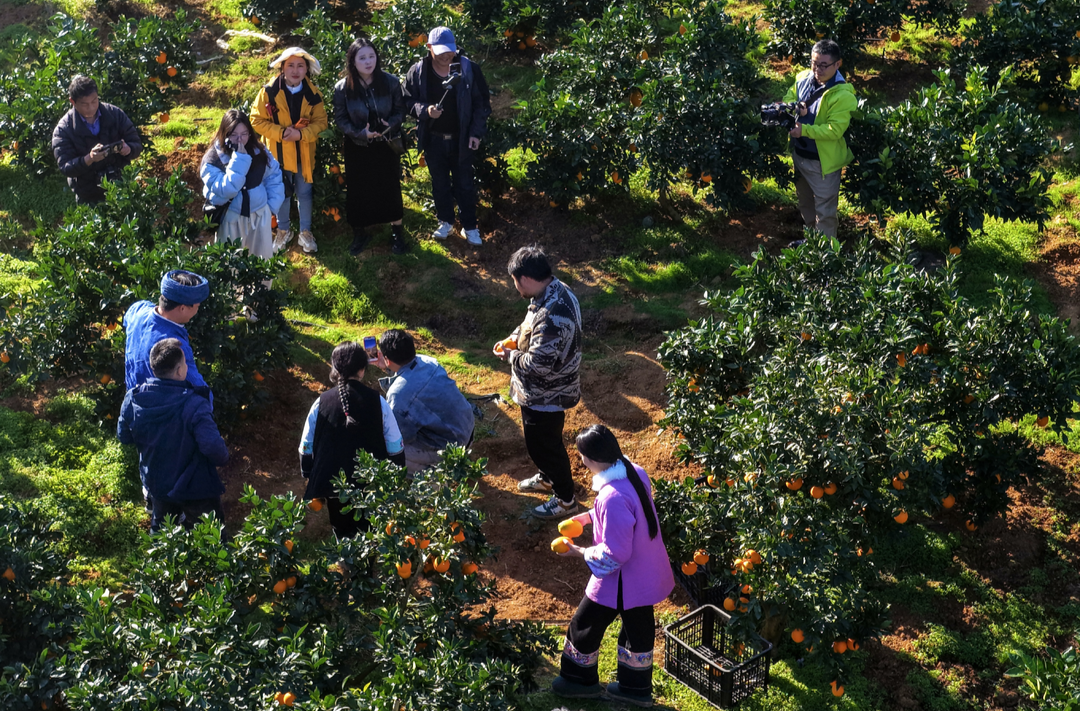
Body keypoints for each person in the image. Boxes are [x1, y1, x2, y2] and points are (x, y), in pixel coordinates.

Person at [550, 424, 674, 706]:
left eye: (581, 455)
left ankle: (577, 681)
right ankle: (635, 688)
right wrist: (585, 519)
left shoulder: (611, 496)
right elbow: (629, 512)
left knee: (585, 625)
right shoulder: (634, 471)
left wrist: (577, 551)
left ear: (591, 459)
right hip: (646, 574)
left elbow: (616, 553)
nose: (580, 460)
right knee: (638, 629)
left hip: (621, 581)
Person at [494, 245, 582, 519]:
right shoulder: (553, 291)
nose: (515, 287)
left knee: (545, 447)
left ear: (525, 278)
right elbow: (530, 322)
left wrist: (511, 355)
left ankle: (566, 500)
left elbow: (536, 366)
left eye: (514, 281)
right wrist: (514, 336)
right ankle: (547, 478)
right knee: (547, 444)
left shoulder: (553, 315)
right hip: (544, 392)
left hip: (546, 396)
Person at [117, 338, 228, 533]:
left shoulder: (133, 400)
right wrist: (224, 455)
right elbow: (214, 448)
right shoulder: (194, 404)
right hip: (195, 487)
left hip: (158, 483)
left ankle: (160, 561)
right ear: (179, 371)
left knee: (162, 536)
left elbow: (124, 436)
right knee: (211, 542)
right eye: (185, 363)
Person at [299, 342, 407, 538]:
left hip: (335, 484)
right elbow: (395, 444)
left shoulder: (321, 402)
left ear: (335, 369)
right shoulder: (377, 401)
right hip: (370, 482)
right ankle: (367, 564)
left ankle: (345, 562)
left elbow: (306, 446)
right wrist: (395, 475)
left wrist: (309, 473)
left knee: (341, 526)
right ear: (362, 369)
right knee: (370, 529)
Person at [403, 26, 491, 246]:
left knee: (465, 184)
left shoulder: (468, 69)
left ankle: (470, 226)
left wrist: (475, 133)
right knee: (440, 182)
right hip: (433, 139)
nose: (446, 55)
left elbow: (482, 104)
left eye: (449, 50)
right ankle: (446, 221)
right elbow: (406, 101)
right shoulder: (418, 71)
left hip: (462, 139)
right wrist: (425, 111)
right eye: (440, 50)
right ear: (429, 47)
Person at [334, 38, 409, 256]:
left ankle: (397, 231)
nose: (368, 62)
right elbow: (340, 119)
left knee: (390, 185)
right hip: (358, 145)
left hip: (386, 143)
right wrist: (360, 133)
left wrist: (390, 124)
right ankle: (360, 231)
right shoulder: (343, 88)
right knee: (358, 189)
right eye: (362, 58)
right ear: (353, 61)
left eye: (371, 56)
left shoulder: (391, 82)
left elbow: (400, 110)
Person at [251, 47, 329, 254]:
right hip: (278, 156)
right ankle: (283, 230)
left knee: (304, 192)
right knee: (282, 193)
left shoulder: (313, 95)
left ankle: (305, 231)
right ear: (282, 68)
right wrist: (281, 132)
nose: (295, 70)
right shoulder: (268, 92)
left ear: (307, 70)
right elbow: (256, 120)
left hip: (304, 153)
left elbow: (321, 122)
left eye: (300, 66)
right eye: (291, 65)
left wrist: (301, 135)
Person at [783, 39, 857, 238]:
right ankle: (812, 245)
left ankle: (826, 257)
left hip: (822, 165)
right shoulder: (803, 79)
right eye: (814, 63)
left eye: (824, 65)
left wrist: (804, 130)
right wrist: (793, 106)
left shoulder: (843, 95)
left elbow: (834, 130)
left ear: (837, 64)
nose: (818, 69)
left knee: (825, 213)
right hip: (800, 156)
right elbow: (789, 98)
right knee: (805, 203)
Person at [372, 329, 474, 474]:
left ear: (387, 359)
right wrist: (388, 367)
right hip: (467, 428)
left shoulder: (398, 395)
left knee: (389, 449)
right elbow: (409, 377)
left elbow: (399, 436)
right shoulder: (428, 361)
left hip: (454, 447)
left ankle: (434, 479)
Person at [200, 109, 285, 264]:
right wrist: (240, 158)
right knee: (228, 266)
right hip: (231, 216)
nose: (240, 140)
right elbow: (227, 189)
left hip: (260, 215)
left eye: (244, 134)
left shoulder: (259, 150)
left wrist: (271, 207)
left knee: (263, 264)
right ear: (224, 133)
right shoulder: (213, 159)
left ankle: (263, 290)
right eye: (234, 135)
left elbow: (274, 176)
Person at [124, 270, 212, 407]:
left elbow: (127, 319)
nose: (197, 310)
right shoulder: (175, 345)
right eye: (197, 306)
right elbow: (198, 389)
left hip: (133, 405)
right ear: (183, 308)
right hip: (160, 412)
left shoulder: (138, 310)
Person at [51, 75, 142, 204]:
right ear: (73, 102)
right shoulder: (64, 130)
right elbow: (66, 167)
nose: (91, 107)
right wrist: (89, 159)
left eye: (94, 101)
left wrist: (129, 149)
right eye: (85, 104)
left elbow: (136, 143)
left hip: (121, 187)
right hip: (89, 195)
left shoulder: (115, 114)